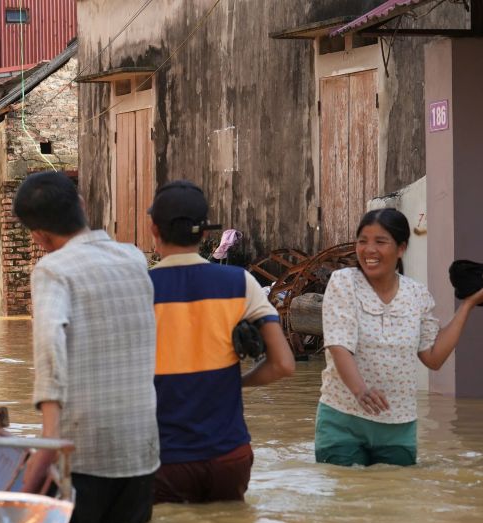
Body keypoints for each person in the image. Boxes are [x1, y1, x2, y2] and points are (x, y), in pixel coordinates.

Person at [15, 171, 160, 523]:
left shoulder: (52, 269)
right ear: (81, 205)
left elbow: (49, 349)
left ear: (38, 236)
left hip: (83, 457)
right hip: (141, 453)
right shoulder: (134, 258)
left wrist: (46, 449)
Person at [147, 180, 295, 504]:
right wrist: (235, 383)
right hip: (231, 456)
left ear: (154, 232)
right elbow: (283, 364)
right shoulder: (239, 281)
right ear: (204, 235)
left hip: (167, 459)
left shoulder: (140, 288)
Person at [316, 208, 483, 466]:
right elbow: (339, 346)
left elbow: (433, 357)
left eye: (380, 242)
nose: (369, 250)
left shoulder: (417, 295)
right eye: (362, 241)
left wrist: (468, 305)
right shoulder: (343, 282)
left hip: (398, 424)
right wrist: (360, 391)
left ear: (401, 248)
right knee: (345, 500)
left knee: (395, 500)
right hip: (343, 418)